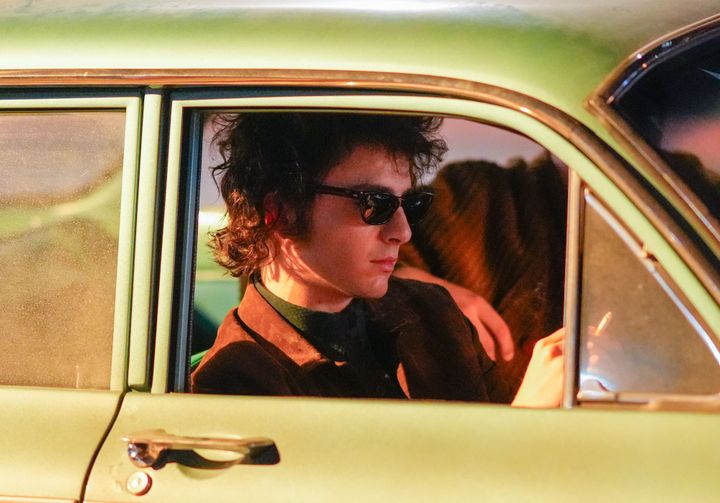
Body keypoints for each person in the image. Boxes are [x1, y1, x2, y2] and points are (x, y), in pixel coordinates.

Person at [191, 112, 563, 407]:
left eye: (411, 205)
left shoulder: (433, 311)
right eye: (375, 204)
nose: (403, 231)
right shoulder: (235, 384)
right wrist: (528, 419)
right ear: (280, 213)